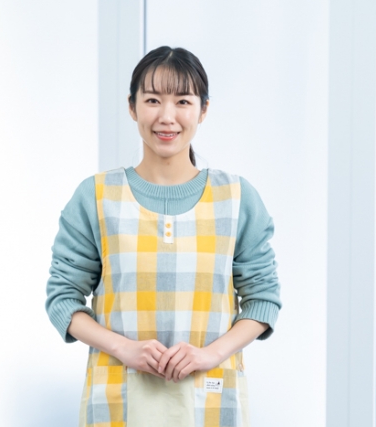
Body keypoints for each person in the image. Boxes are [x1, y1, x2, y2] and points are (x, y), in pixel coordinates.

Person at [45, 46, 282, 427]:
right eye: (153, 100)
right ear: (132, 106)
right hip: (117, 404)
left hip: (211, 403)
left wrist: (209, 355)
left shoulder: (237, 198)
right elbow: (63, 299)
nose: (166, 117)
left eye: (183, 101)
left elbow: (263, 301)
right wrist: (124, 348)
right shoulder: (96, 197)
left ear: (203, 110)